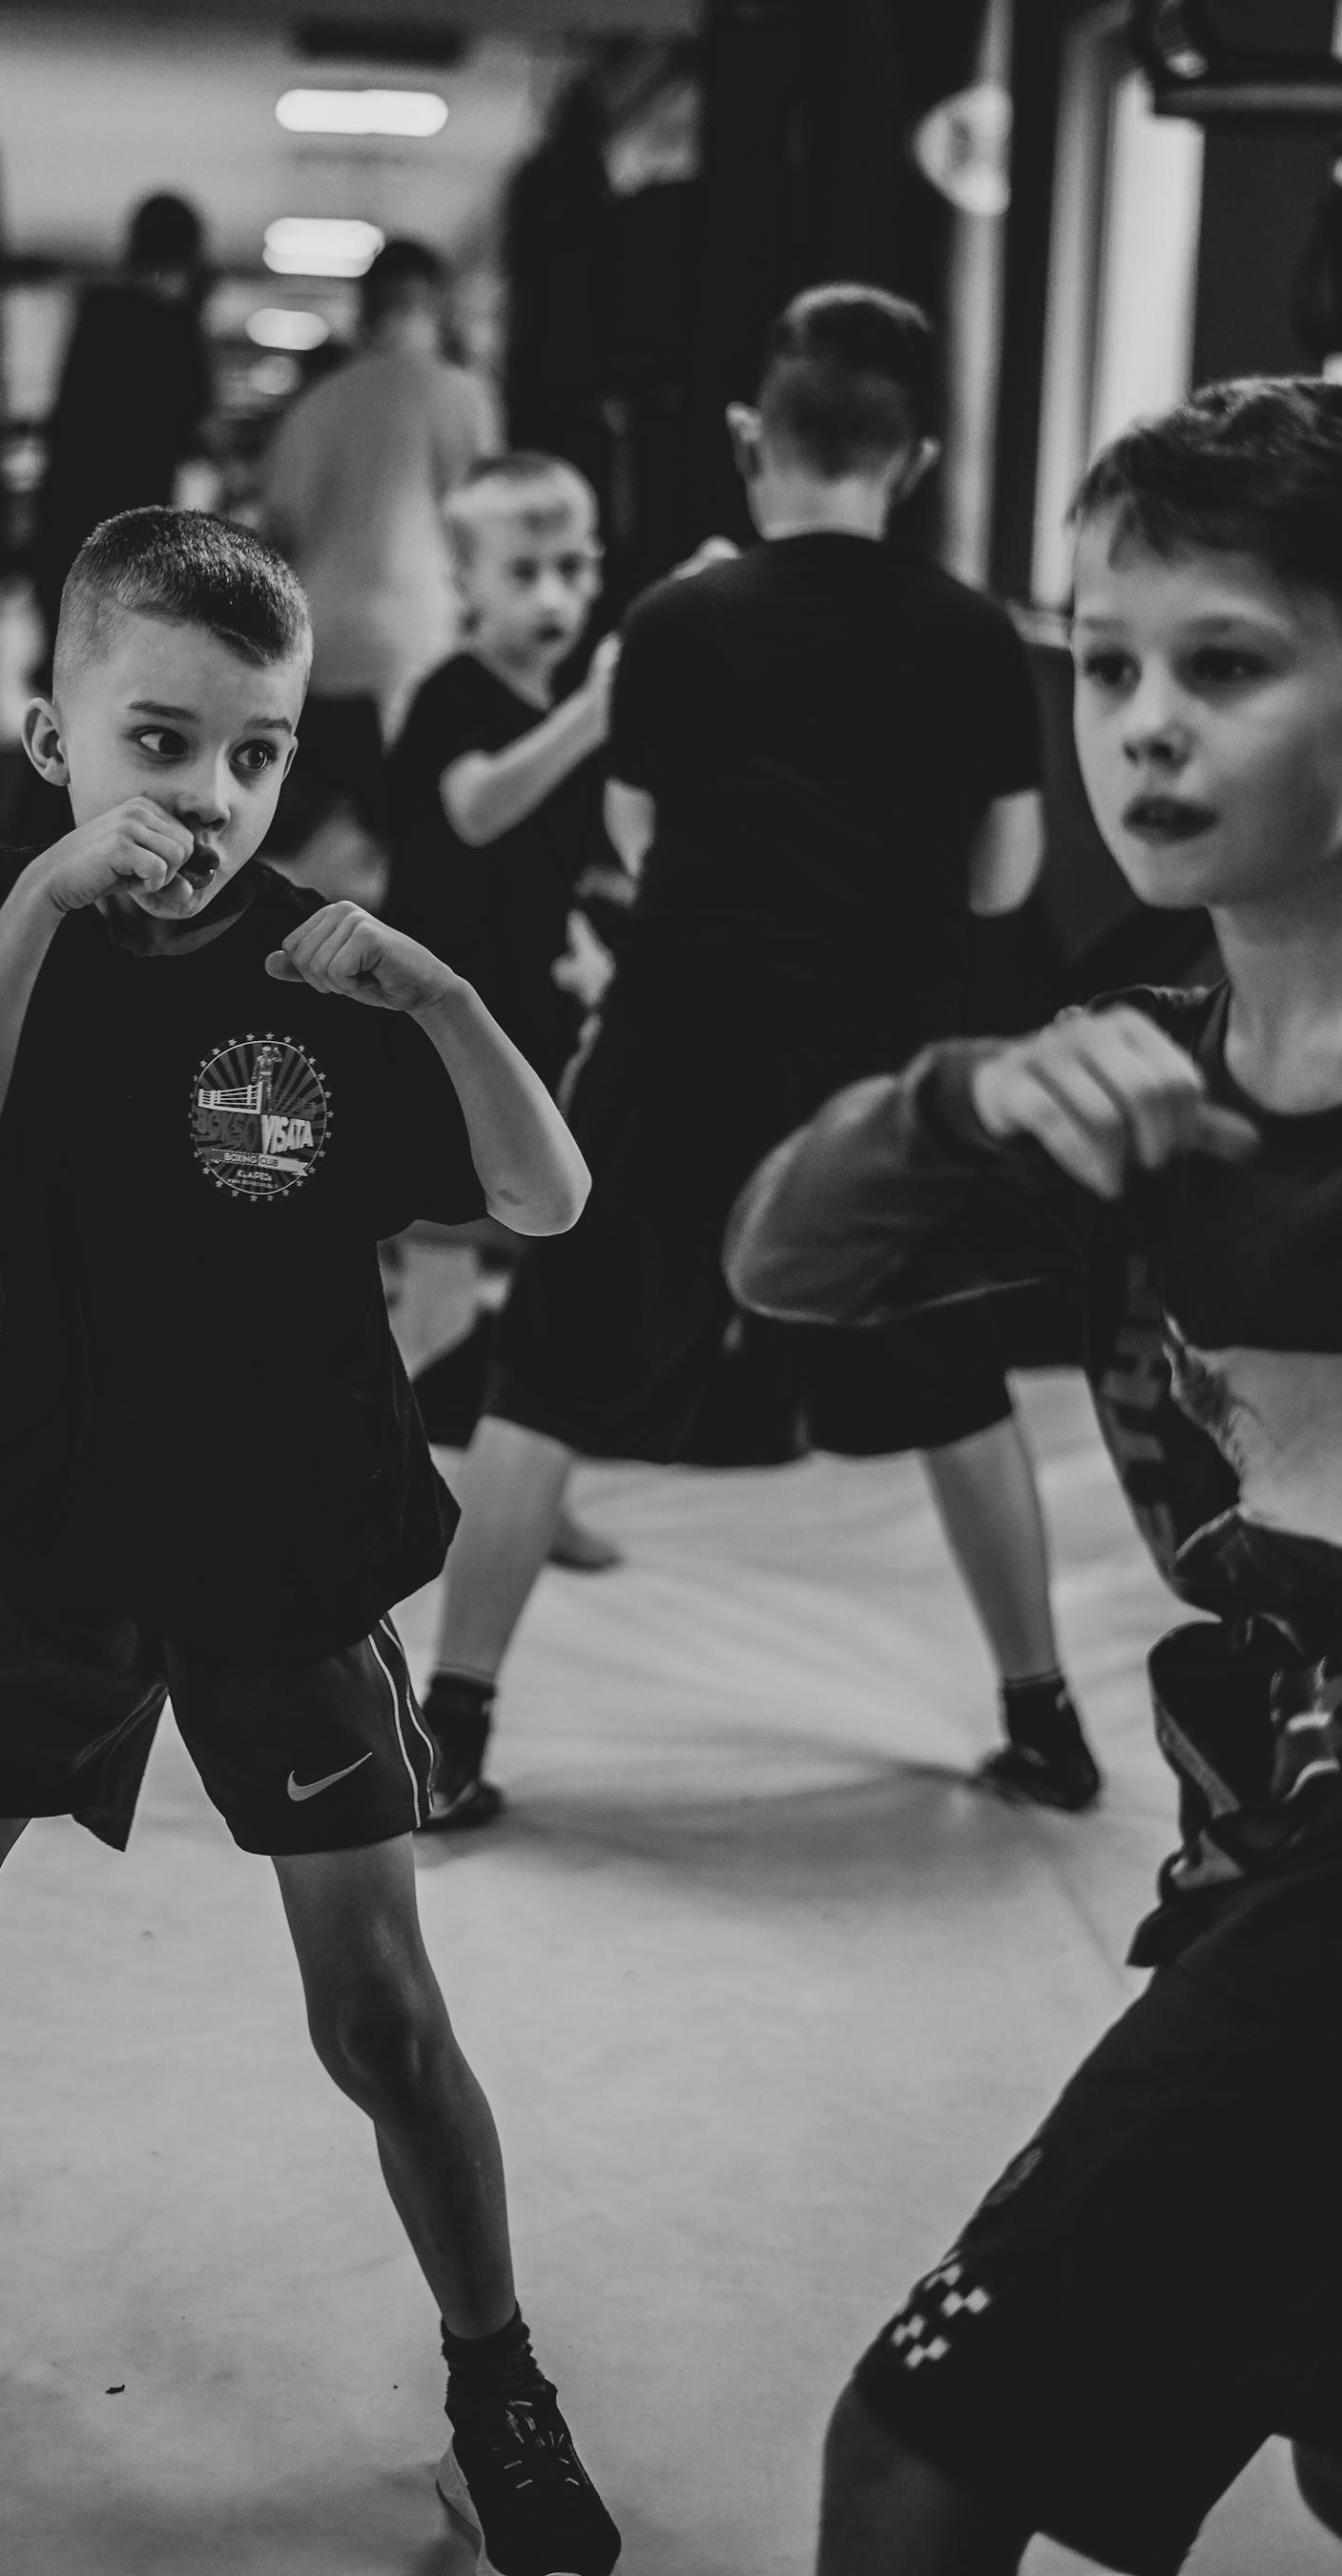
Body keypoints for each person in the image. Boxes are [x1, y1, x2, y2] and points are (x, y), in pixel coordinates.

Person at [0, 509, 622, 2576]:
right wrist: (37, 899)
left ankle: (495, 2371)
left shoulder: (330, 965)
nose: (207, 799)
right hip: (48, 1529)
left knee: (382, 2024)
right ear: (53, 738)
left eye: (257, 753)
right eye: (160, 742)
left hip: (288, 1544)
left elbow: (551, 1199)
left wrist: (444, 989)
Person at [724, 374, 1342, 2576]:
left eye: (1226, 666)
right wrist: (962, 1100)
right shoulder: (1137, 1021)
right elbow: (780, 1265)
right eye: (1102, 668)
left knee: (918, 2451)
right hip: (1258, 1807)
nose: (1141, 728)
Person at [417, 284, 1095, 1832]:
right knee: (952, 1385)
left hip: (680, 1043)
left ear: (748, 440)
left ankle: (449, 1733)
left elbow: (641, 840)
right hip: (879, 1066)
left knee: (548, 1375)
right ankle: (1044, 1718)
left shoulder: (673, 622)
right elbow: (1000, 883)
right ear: (912, 459)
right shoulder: (976, 634)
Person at [382, 449, 627, 1570]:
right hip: (435, 1014)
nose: (555, 597)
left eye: (575, 568)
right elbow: (476, 811)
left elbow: (566, 858)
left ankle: (515, 1481)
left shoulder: (564, 710)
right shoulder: (453, 696)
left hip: (535, 1000)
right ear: (467, 581)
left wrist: (589, 941)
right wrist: (590, 713)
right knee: (435, 1238)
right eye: (524, 571)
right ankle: (401, 1483)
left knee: (552, 1244)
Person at [258, 238, 496, 896]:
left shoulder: (320, 402)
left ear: (366, 307)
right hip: (425, 642)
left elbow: (283, 525)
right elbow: (483, 519)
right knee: (411, 829)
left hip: (327, 642)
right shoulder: (462, 396)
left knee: (340, 814)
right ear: (435, 306)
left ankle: (316, 952)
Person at [32, 191, 214, 657]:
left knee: (70, 652)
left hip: (70, 515)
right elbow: (199, 427)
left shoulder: (98, 313)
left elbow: (68, 418)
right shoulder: (178, 330)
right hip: (137, 528)